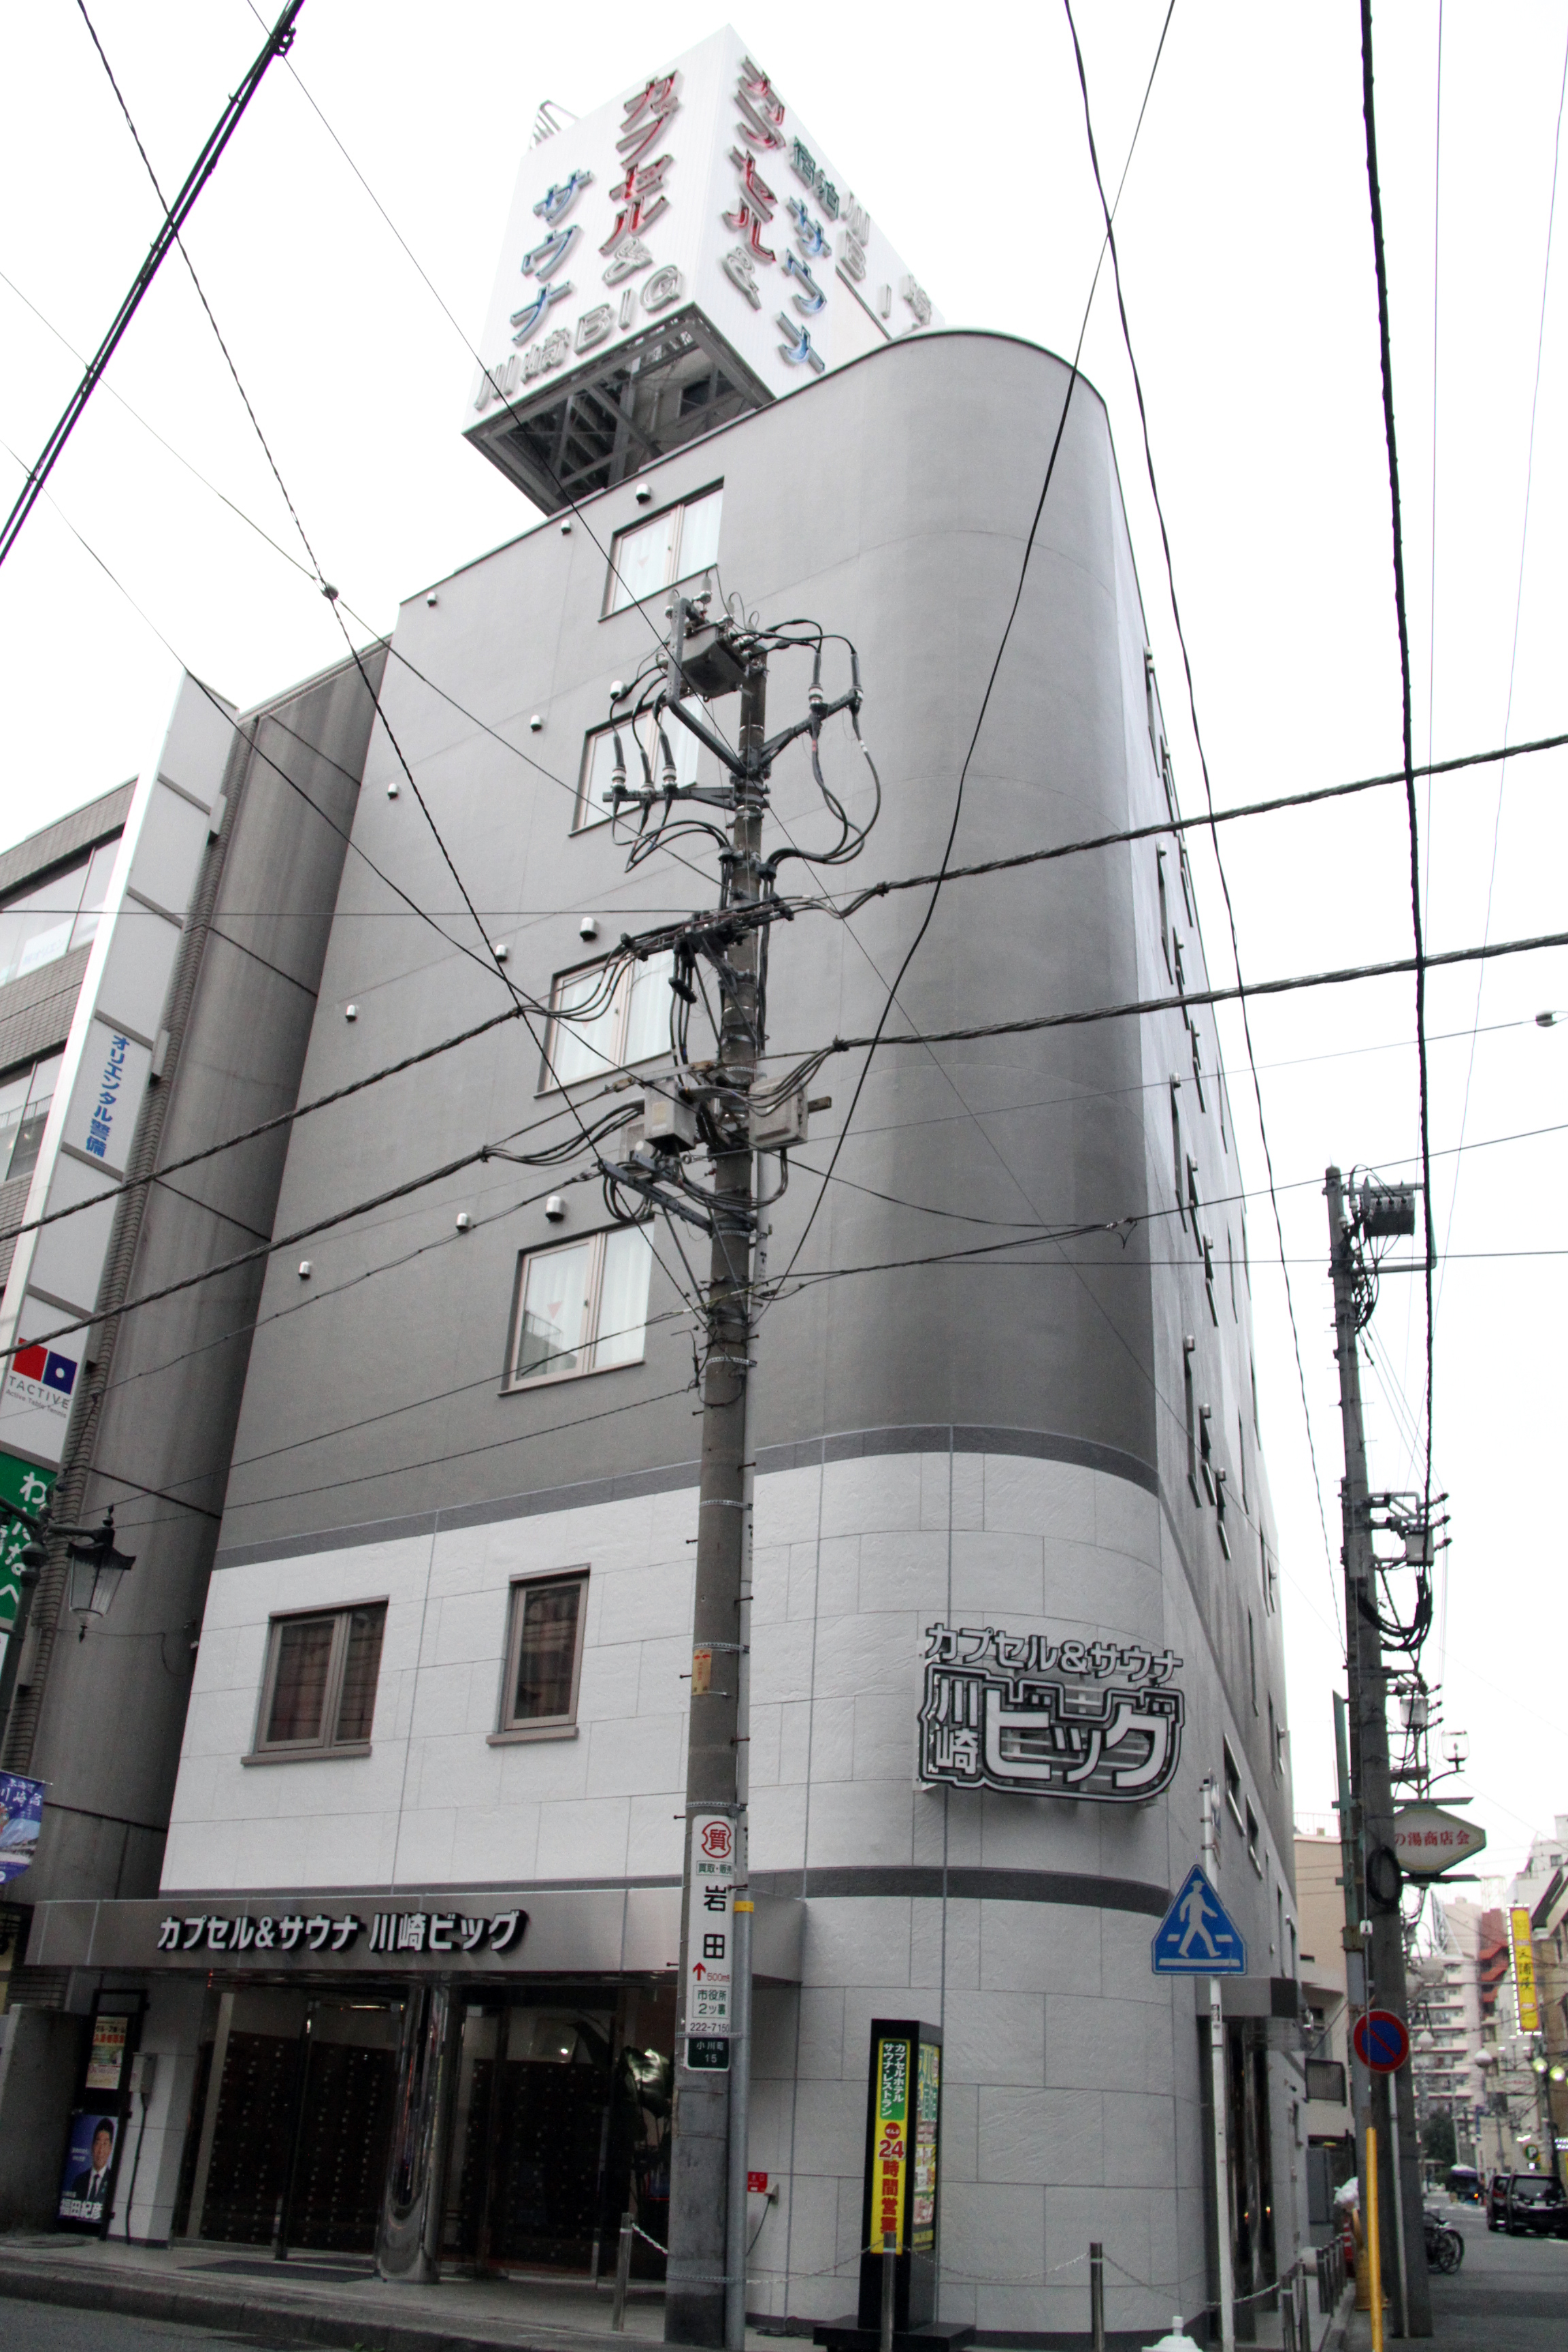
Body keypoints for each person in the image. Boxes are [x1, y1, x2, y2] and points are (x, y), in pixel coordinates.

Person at [71, 2119, 115, 2205]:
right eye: (98, 2143)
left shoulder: (112, 2180)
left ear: (110, 2149)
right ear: (92, 2146)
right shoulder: (79, 2180)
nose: (101, 2150)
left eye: (105, 2144)